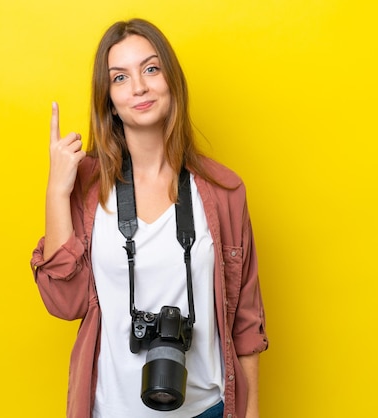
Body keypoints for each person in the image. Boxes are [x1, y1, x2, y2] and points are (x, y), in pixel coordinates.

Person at [31, 18, 268, 418]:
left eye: (151, 69)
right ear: (108, 98)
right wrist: (56, 191)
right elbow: (63, 302)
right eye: (120, 77)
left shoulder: (225, 192)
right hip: (112, 409)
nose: (139, 87)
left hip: (206, 408)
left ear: (171, 80)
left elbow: (246, 322)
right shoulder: (86, 187)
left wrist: (252, 412)